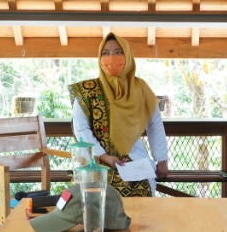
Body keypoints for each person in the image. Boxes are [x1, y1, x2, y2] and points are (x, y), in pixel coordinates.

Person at [71, 33, 169, 197]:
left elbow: (155, 124)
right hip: (98, 162)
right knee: (100, 206)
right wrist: (104, 156)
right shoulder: (87, 90)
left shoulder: (141, 88)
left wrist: (162, 159)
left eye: (118, 52)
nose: (111, 58)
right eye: (105, 53)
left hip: (136, 160)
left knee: (143, 202)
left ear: (128, 56)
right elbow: (80, 128)